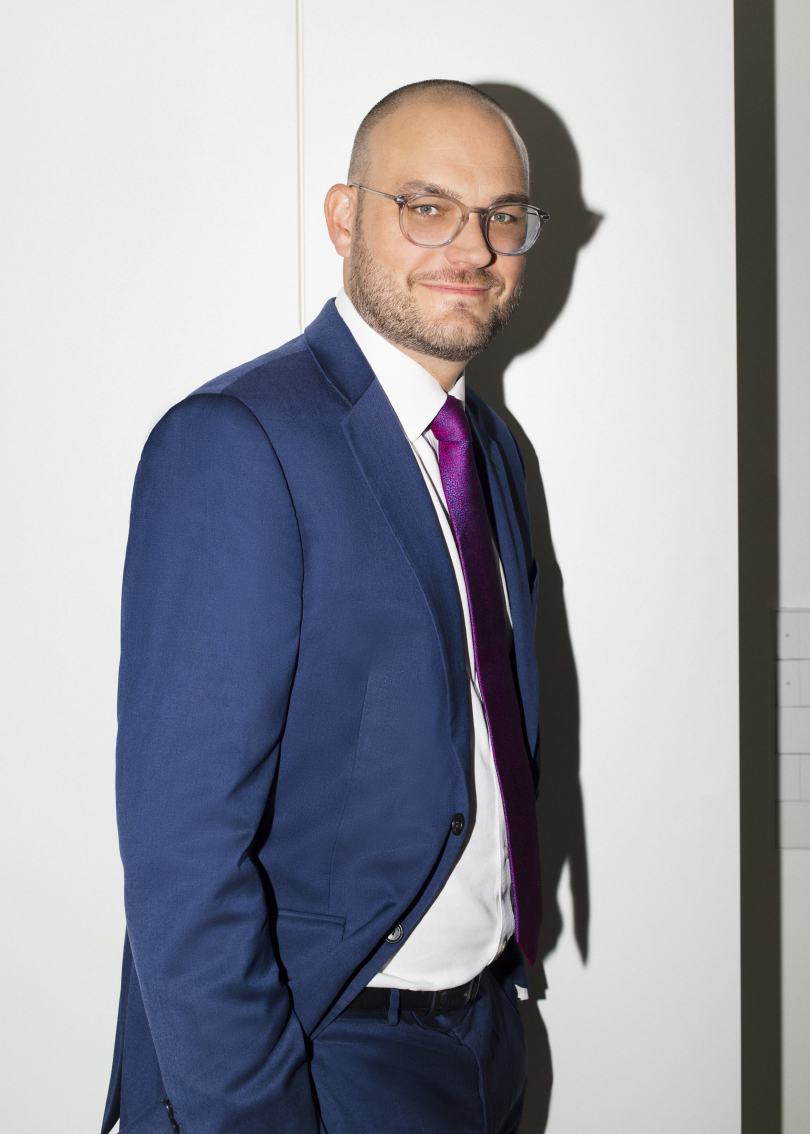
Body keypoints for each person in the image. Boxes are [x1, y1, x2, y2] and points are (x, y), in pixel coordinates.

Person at [101, 78, 549, 1134]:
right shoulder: (237, 440)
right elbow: (184, 850)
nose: (473, 247)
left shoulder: (491, 451)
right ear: (346, 217)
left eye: (502, 216)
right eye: (428, 207)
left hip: (486, 1039)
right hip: (325, 1046)